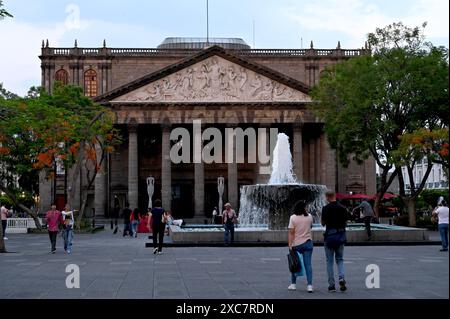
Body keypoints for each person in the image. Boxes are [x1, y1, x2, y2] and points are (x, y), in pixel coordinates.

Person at [321, 191, 348, 292]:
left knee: (329, 262)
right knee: (340, 259)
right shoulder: (343, 208)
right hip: (340, 236)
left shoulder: (325, 208)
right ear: (335, 196)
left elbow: (323, 224)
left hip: (329, 237)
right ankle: (341, 277)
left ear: (327, 197)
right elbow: (345, 223)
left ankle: (331, 285)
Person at [288, 200, 314, 293]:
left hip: (297, 244)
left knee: (294, 264)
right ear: (304, 208)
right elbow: (310, 227)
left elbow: (291, 232)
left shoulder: (293, 218)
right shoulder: (309, 216)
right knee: (308, 265)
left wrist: (290, 245)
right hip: (308, 243)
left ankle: (293, 284)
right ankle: (310, 285)